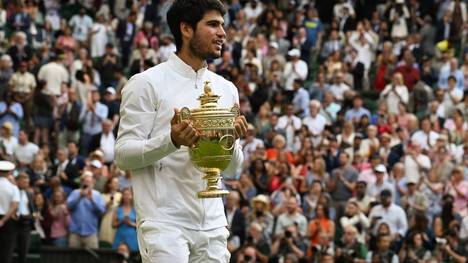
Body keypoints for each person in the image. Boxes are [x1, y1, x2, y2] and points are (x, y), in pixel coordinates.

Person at [114, 0, 248, 262]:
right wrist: (172, 141)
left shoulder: (227, 89)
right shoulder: (146, 83)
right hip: (164, 223)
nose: (222, 32)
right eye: (212, 24)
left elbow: (232, 170)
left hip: (213, 223)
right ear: (186, 29)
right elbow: (122, 155)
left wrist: (229, 142)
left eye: (222, 25)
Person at [0, 161, 19, 263]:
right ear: (10, 172)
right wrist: (3, 221)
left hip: (6, 221)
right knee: (6, 253)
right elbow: (14, 206)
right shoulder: (13, 187)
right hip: (8, 222)